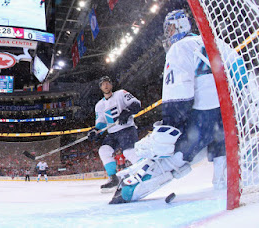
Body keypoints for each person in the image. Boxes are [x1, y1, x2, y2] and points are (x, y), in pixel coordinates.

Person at [109, 9, 245, 204]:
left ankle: (131, 190)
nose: (169, 34)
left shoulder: (180, 48)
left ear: (177, 26)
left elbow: (179, 97)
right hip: (227, 117)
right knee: (222, 158)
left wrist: (170, 127)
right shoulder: (215, 43)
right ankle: (223, 189)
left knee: (175, 156)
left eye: (170, 29)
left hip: (202, 117)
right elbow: (242, 75)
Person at [88, 76, 141, 193]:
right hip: (112, 134)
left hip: (127, 129)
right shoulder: (99, 105)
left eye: (107, 83)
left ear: (111, 85)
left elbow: (136, 104)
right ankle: (113, 178)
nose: (106, 85)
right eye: (103, 84)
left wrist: (127, 112)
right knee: (104, 150)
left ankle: (144, 172)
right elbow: (101, 123)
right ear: (100, 88)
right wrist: (94, 130)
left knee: (129, 152)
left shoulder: (121, 94)